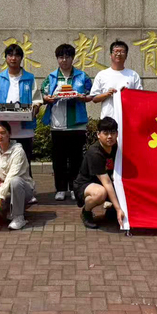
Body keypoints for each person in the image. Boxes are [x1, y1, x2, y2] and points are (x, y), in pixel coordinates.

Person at [41, 44, 93, 201]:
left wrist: (83, 97)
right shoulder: (51, 77)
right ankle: (61, 188)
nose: (64, 60)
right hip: (57, 124)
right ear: (57, 59)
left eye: (67, 57)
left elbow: (91, 95)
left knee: (76, 158)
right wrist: (47, 99)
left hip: (77, 124)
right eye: (61, 57)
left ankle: (75, 188)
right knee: (59, 159)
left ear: (73, 58)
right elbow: (43, 95)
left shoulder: (82, 76)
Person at [0, 44, 41, 163]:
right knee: (3, 164)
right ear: (6, 58)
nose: (13, 58)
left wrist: (34, 109)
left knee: (25, 164)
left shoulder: (30, 78)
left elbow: (37, 100)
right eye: (10, 55)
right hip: (4, 130)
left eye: (17, 55)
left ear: (21, 58)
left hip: (24, 130)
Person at [73, 117, 126, 230]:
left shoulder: (116, 148)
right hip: (86, 185)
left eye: (113, 133)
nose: (109, 136)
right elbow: (107, 182)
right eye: (105, 133)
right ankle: (86, 212)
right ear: (98, 134)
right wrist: (119, 209)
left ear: (117, 134)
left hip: (105, 182)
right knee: (100, 193)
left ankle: (111, 211)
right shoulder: (95, 153)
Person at [0, 122, 35, 231]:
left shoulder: (18, 151)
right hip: (5, 189)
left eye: (3, 133)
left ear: (9, 134)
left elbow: (12, 175)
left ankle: (19, 217)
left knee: (15, 181)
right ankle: (10, 210)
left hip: (23, 189)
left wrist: (0, 197)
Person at [90, 40, 143, 119]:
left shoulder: (133, 75)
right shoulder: (102, 75)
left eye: (122, 51)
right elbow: (94, 98)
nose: (118, 54)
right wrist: (107, 94)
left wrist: (128, 93)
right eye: (116, 51)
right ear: (110, 55)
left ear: (126, 56)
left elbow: (140, 97)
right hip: (108, 119)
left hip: (127, 119)